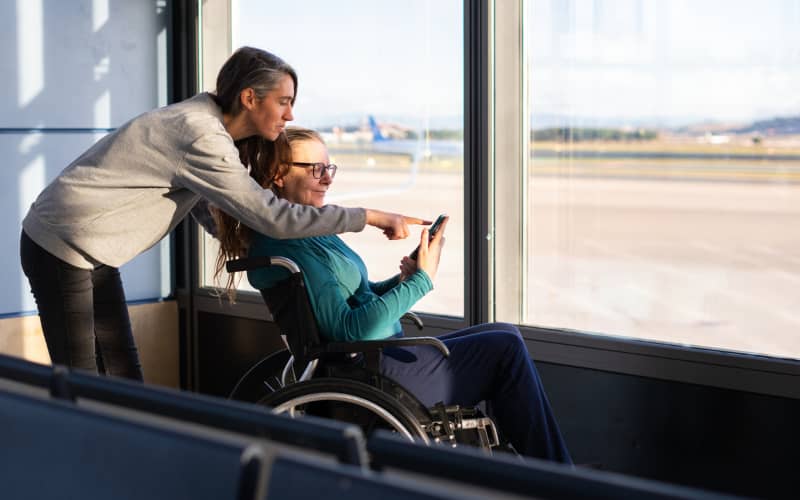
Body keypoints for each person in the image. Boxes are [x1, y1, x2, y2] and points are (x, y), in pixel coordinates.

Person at [19, 47, 424, 382]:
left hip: (91, 248)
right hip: (61, 242)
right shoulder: (200, 133)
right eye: (283, 102)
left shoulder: (207, 128)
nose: (290, 116)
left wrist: (256, 243)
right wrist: (368, 217)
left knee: (123, 372)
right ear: (250, 98)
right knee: (80, 378)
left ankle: (122, 463)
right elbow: (272, 216)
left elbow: (203, 205)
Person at [218, 126, 572, 463]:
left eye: (329, 168)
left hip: (378, 359)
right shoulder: (290, 242)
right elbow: (352, 330)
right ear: (278, 175)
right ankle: (556, 479)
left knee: (505, 332)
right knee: (505, 351)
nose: (327, 177)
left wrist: (403, 279)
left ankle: (543, 471)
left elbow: (362, 295)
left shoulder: (311, 229)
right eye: (315, 169)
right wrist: (422, 282)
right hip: (371, 371)